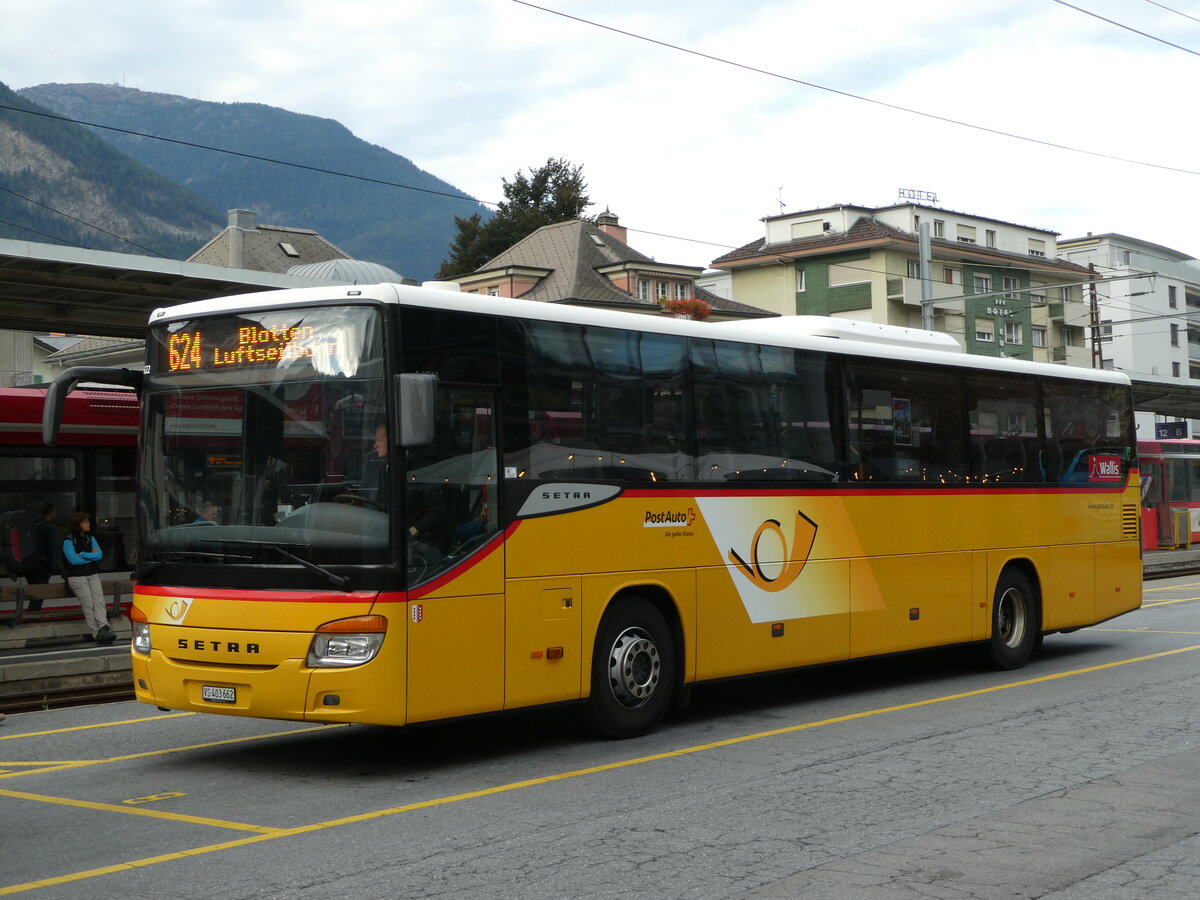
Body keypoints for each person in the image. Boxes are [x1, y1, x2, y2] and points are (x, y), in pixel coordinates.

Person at [62, 512, 113, 646]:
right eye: (85, 522)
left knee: (99, 602)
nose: (88, 524)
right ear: (77, 525)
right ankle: (97, 634)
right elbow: (72, 560)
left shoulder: (90, 538)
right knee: (89, 605)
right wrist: (90, 557)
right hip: (77, 577)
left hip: (93, 574)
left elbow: (99, 555)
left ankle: (104, 628)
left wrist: (83, 554)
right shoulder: (68, 540)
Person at [24, 500, 60, 611]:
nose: (56, 513)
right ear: (50, 512)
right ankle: (32, 620)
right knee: (38, 596)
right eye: (55, 511)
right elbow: (52, 550)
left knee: (35, 594)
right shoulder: (50, 528)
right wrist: (51, 568)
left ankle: (31, 618)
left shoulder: (30, 526)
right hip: (42, 567)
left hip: (29, 566)